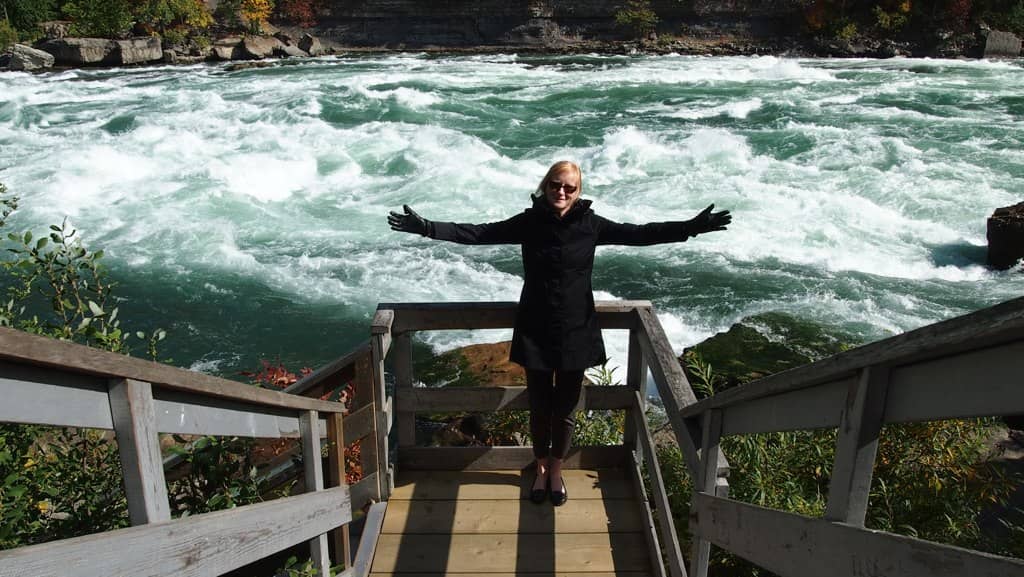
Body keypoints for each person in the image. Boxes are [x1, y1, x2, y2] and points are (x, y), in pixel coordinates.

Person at [388, 160, 731, 506]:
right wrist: (426, 227)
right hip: (535, 328)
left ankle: (556, 470)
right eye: (555, 185)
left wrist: (691, 227)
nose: (561, 192)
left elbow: (641, 233)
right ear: (545, 186)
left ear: (579, 192)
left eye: (569, 187)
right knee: (539, 408)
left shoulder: (591, 225)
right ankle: (539, 468)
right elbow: (478, 233)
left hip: (576, 330)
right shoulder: (529, 222)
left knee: (565, 409)